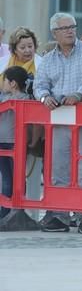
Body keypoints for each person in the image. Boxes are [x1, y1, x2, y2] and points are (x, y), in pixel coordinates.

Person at [33, 13, 82, 234]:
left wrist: (79, 95)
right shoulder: (48, 59)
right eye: (64, 28)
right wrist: (44, 97)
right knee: (58, 168)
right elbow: (39, 84)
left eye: (73, 26)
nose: (70, 30)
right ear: (54, 33)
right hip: (59, 120)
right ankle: (59, 216)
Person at [0, 66, 31, 218]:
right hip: (13, 142)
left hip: (11, 142)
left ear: (13, 83)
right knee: (13, 177)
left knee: (10, 177)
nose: (3, 84)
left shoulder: (22, 99)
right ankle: (14, 210)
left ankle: (9, 210)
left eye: (4, 80)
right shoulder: (27, 99)